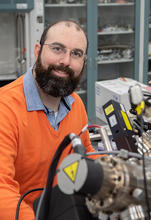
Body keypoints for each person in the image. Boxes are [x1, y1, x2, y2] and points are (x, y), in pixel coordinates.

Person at [0, 20, 99, 219]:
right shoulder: (5, 108)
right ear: (37, 51)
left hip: (63, 208)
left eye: (76, 54)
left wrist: (114, 174)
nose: (65, 61)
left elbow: (86, 152)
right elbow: (1, 190)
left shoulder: (75, 104)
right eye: (57, 49)